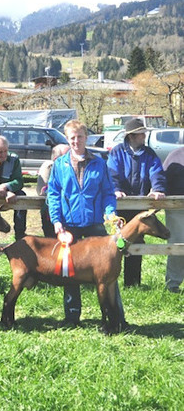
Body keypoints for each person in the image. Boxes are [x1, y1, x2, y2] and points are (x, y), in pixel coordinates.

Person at [48, 119, 122, 326]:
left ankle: (115, 316)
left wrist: (110, 214)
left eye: (80, 137)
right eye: (72, 138)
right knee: (69, 270)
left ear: (85, 137)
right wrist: (56, 220)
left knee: (107, 272)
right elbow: (53, 194)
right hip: (69, 225)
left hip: (95, 223)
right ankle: (72, 316)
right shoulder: (59, 165)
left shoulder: (99, 163)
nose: (76, 141)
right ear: (67, 139)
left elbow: (108, 193)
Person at [107, 118, 166, 286]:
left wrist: (157, 189)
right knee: (119, 242)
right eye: (141, 133)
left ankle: (133, 284)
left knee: (138, 241)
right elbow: (112, 173)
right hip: (122, 205)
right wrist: (116, 189)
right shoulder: (117, 152)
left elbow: (157, 172)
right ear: (132, 136)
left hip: (140, 207)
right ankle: (111, 281)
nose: (144, 136)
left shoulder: (149, 153)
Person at [163, 146, 184, 293]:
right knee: (178, 244)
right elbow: (162, 181)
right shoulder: (175, 156)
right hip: (176, 209)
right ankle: (173, 284)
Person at [36, 144, 70, 238]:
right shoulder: (49, 167)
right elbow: (43, 191)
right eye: (67, 154)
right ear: (56, 158)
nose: (71, 156)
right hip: (51, 211)